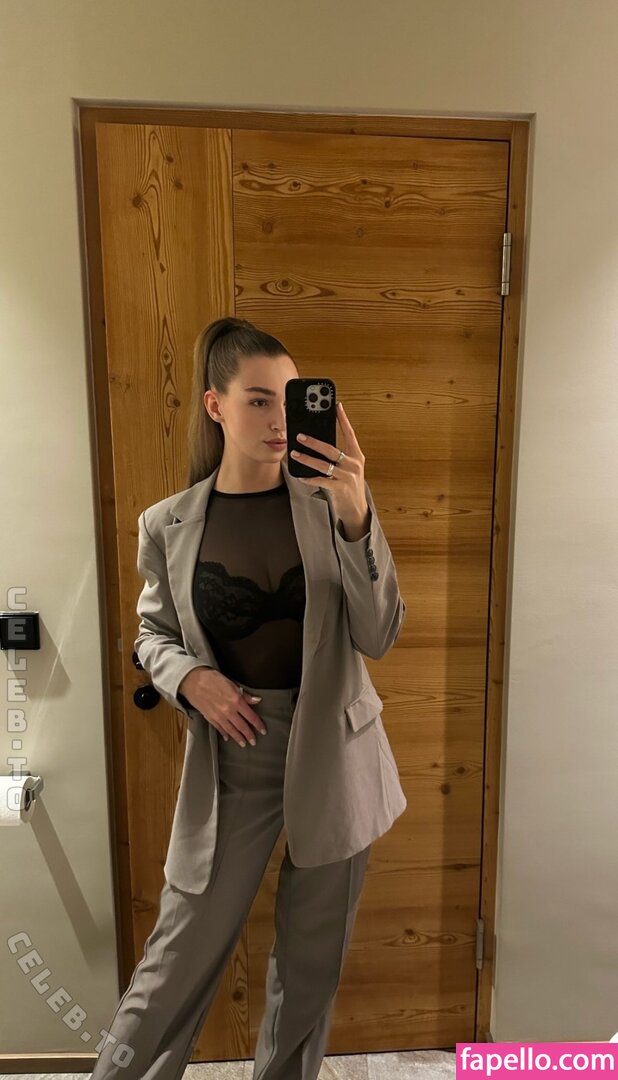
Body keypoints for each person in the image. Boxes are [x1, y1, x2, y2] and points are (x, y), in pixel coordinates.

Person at [91, 316, 407, 1080]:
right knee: (177, 953)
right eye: (258, 400)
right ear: (216, 405)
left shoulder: (332, 506)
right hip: (235, 753)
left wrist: (357, 514)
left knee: (309, 968)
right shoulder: (167, 524)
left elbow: (378, 634)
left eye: (289, 401)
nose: (277, 419)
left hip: (336, 748)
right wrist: (188, 678)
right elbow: (153, 635)